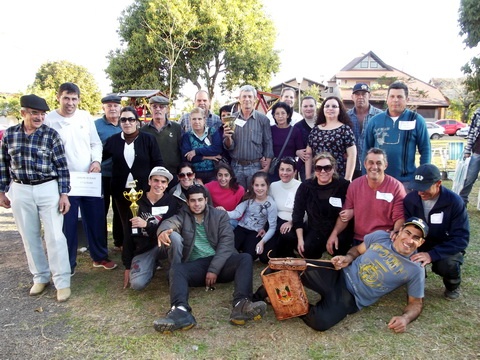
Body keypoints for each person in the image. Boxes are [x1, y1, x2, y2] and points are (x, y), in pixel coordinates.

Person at [153, 185, 267, 333]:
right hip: (198, 267)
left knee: (245, 258)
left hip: (221, 264)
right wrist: (162, 231)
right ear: (187, 202)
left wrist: (214, 269)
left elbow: (226, 244)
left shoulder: (219, 216)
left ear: (206, 200)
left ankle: (241, 304)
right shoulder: (182, 216)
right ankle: (180, 312)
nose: (197, 204)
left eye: (200, 200)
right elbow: (169, 223)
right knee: (176, 269)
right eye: (193, 200)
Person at [0, 94, 71, 302]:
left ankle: (62, 281)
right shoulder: (10, 135)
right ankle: (40, 277)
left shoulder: (51, 135)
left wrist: (64, 193)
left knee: (55, 236)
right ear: (23, 113)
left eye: (42, 114)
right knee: (29, 236)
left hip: (48, 187)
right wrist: (2, 191)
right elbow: (3, 164)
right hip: (21, 189)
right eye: (34, 113)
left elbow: (62, 166)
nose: (39, 117)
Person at [300, 217, 428, 332]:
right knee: (292, 267)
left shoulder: (416, 268)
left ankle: (293, 305)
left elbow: (416, 303)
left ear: (421, 243)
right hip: (339, 274)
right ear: (400, 231)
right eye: (408, 232)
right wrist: (348, 258)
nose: (409, 240)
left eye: (416, 238)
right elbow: (357, 250)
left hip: (352, 297)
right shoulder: (381, 236)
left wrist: (405, 319)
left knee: (320, 322)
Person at [45, 82, 116, 273]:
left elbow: (95, 144)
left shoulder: (85, 117)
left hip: (89, 178)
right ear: (58, 97)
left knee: (96, 218)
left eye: (74, 99)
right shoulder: (48, 120)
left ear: (79, 99)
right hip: (64, 182)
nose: (70, 103)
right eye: (66, 98)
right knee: (67, 223)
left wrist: (96, 162)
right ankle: (69, 264)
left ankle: (99, 256)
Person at [103, 106, 164, 266]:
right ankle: (129, 258)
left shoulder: (148, 139)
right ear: (119, 122)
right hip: (121, 192)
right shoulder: (113, 141)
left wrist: (156, 184)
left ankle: (150, 255)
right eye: (123, 119)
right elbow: (99, 157)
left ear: (137, 122)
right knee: (127, 224)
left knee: (145, 222)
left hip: (144, 191)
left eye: (131, 119)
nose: (127, 122)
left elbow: (158, 162)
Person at [404, 164, 469, 300]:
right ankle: (417, 276)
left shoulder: (454, 202)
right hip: (419, 242)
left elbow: (461, 238)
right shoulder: (410, 200)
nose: (420, 192)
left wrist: (432, 255)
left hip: (444, 244)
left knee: (448, 264)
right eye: (416, 187)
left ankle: (452, 284)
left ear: (438, 183)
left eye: (424, 188)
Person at [327, 148, 405, 254]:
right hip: (359, 238)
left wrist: (395, 233)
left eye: (379, 163)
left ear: (385, 165)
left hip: (383, 239)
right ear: (364, 164)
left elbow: (399, 217)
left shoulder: (396, 187)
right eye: (371, 163)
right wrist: (334, 234)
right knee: (340, 251)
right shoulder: (355, 185)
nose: (374, 167)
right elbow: (345, 215)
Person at [363, 81, 431, 187]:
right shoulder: (375, 121)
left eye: (399, 96)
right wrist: (366, 176)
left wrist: (423, 175)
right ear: (387, 99)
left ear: (407, 99)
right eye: (392, 96)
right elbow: (366, 150)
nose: (395, 100)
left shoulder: (416, 120)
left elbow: (425, 150)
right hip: (379, 179)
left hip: (406, 181)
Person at [123, 166, 178, 290]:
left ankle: (176, 272)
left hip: (163, 244)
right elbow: (127, 233)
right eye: (156, 180)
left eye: (163, 182)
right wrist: (127, 266)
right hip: (144, 248)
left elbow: (165, 230)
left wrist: (146, 225)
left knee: (175, 237)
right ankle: (151, 265)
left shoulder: (171, 202)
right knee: (137, 284)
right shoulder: (137, 201)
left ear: (167, 184)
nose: (159, 185)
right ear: (149, 181)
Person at [293, 152, 352, 258]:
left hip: (338, 228)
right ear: (315, 170)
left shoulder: (344, 186)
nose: (323, 171)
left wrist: (335, 234)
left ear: (333, 168)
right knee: (307, 250)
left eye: (327, 168)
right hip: (316, 228)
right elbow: (298, 214)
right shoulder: (306, 187)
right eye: (319, 168)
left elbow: (353, 207)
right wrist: (300, 240)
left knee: (340, 250)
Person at [223, 85, 274, 189]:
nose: (247, 99)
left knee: (255, 197)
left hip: (255, 166)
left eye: (250, 97)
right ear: (239, 99)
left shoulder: (263, 120)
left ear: (255, 99)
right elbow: (229, 146)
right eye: (244, 96)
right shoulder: (231, 119)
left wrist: (267, 166)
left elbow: (268, 144)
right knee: (238, 197)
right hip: (236, 166)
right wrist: (227, 138)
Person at [94, 94, 123, 251]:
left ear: (120, 107)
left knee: (120, 210)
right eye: (109, 105)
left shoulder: (126, 123)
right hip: (102, 175)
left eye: (115, 105)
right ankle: (101, 246)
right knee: (100, 212)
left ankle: (119, 242)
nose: (112, 108)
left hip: (121, 175)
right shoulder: (96, 125)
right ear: (103, 108)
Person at [227, 172, 277, 261]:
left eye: (262, 185)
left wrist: (262, 242)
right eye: (256, 185)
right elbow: (237, 213)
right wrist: (224, 212)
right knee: (229, 248)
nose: (259, 188)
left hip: (255, 232)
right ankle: (239, 248)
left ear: (267, 186)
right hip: (241, 228)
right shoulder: (249, 198)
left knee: (250, 255)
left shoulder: (271, 204)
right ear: (252, 186)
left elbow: (272, 227)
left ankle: (243, 249)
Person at [305, 96, 356, 181]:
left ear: (340, 110)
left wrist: (348, 178)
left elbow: (352, 155)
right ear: (323, 109)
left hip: (338, 177)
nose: (330, 108)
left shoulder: (345, 130)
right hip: (319, 176)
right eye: (327, 106)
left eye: (334, 106)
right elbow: (308, 154)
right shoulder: (315, 130)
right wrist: (308, 177)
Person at [140, 96, 182, 189]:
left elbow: (181, 150)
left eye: (161, 107)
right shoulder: (143, 130)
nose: (158, 109)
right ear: (150, 108)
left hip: (173, 175)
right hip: (152, 177)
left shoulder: (176, 128)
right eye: (154, 107)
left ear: (167, 109)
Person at [347, 83, 383, 179]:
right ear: (352, 97)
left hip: (373, 166)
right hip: (351, 167)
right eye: (357, 94)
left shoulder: (380, 116)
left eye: (364, 94)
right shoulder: (346, 117)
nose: (360, 97)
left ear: (369, 96)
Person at [268, 157, 302, 258]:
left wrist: (291, 222)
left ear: (295, 172)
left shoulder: (301, 187)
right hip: (277, 222)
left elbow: (305, 213)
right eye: (282, 169)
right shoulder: (273, 186)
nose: (284, 173)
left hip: (294, 223)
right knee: (265, 257)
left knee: (286, 235)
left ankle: (289, 254)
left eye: (288, 170)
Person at [181, 107, 223, 184]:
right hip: (194, 174)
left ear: (204, 119)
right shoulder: (187, 136)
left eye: (199, 119)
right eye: (194, 119)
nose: (197, 122)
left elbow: (217, 149)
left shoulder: (212, 132)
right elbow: (186, 157)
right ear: (190, 120)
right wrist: (207, 157)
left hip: (213, 173)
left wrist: (196, 151)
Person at [269, 102, 304, 182]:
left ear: (288, 115)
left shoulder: (295, 131)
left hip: (289, 171)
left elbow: (302, 153)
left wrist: (296, 170)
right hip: (273, 170)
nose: (280, 116)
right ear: (274, 116)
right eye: (277, 114)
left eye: (283, 113)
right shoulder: (270, 130)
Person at [459, 108, 480, 205]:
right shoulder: (477, 112)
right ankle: (462, 202)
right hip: (477, 152)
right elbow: (471, 132)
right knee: (469, 179)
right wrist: (467, 150)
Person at [294, 96, 317, 181]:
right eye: (305, 106)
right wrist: (297, 152)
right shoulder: (297, 127)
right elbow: (292, 146)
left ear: (315, 106)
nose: (308, 108)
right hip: (305, 168)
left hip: (324, 166)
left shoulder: (324, 123)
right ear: (301, 108)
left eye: (311, 106)